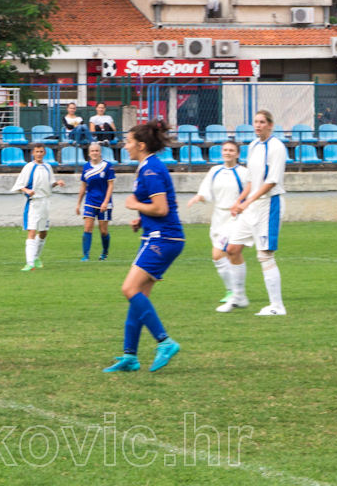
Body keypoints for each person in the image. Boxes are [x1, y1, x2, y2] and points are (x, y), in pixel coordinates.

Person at [102, 121, 183, 373]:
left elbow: (162, 208)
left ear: (141, 145)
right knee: (139, 296)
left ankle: (165, 342)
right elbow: (159, 207)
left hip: (163, 239)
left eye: (128, 142)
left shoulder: (151, 170)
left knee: (128, 289)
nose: (125, 146)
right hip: (157, 237)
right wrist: (142, 219)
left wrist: (135, 206)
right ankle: (130, 356)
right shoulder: (147, 167)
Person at [223, 110, 289, 316]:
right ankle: (239, 297)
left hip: (269, 205)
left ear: (270, 125)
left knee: (265, 255)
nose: (258, 125)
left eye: (262, 122)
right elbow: (251, 180)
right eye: (256, 122)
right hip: (252, 206)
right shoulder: (253, 146)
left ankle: (277, 306)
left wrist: (248, 201)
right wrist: (240, 200)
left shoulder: (276, 147)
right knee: (232, 249)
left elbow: (272, 181)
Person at [185, 140, 250, 308]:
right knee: (218, 257)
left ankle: (236, 293)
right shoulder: (215, 171)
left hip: (236, 217)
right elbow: (206, 191)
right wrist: (199, 197)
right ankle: (232, 291)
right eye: (225, 150)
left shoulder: (243, 173)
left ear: (237, 154)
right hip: (218, 217)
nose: (227, 153)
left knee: (224, 252)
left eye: (231, 150)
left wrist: (242, 207)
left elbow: (249, 192)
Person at [12, 143, 64, 271]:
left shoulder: (47, 167)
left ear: (44, 153)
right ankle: (29, 263)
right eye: (37, 152)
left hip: (45, 202)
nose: (39, 154)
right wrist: (27, 191)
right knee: (32, 231)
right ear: (33, 153)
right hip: (34, 203)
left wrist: (57, 183)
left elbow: (50, 183)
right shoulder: (29, 167)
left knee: (43, 232)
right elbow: (19, 185)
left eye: (41, 151)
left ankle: (36, 257)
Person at [75, 141, 115, 261]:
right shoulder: (86, 167)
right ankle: (86, 255)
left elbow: (111, 185)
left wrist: (105, 202)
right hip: (90, 201)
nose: (94, 153)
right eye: (92, 151)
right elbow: (83, 186)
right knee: (87, 228)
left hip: (104, 203)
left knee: (103, 231)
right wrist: (78, 204)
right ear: (89, 153)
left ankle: (104, 253)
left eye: (97, 150)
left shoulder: (107, 166)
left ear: (100, 152)